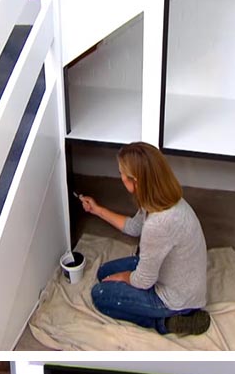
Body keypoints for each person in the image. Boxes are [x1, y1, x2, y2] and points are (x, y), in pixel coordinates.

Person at [77, 141, 210, 336]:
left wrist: (122, 277)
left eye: (122, 172)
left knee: (101, 295)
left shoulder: (158, 224)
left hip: (176, 298)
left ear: (135, 181)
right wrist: (97, 210)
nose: (120, 176)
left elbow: (143, 281)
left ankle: (168, 322)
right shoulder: (160, 198)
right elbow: (133, 227)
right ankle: (172, 314)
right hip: (173, 275)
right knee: (103, 272)